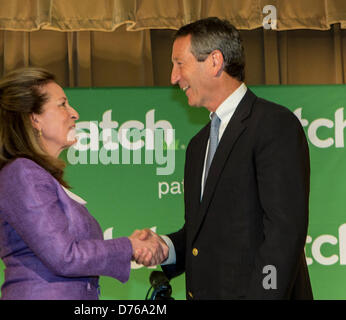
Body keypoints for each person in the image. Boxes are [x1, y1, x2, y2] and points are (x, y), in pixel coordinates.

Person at [134, 17, 313, 299]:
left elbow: (283, 235)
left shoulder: (274, 125)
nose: (173, 77)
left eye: (180, 63)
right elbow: (202, 235)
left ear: (215, 61)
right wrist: (165, 247)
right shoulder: (197, 146)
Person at [0, 67, 167, 300]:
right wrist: (129, 246)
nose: (74, 113)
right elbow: (65, 256)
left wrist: (132, 245)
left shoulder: (36, 175)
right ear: (34, 118)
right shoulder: (23, 173)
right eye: (62, 104)